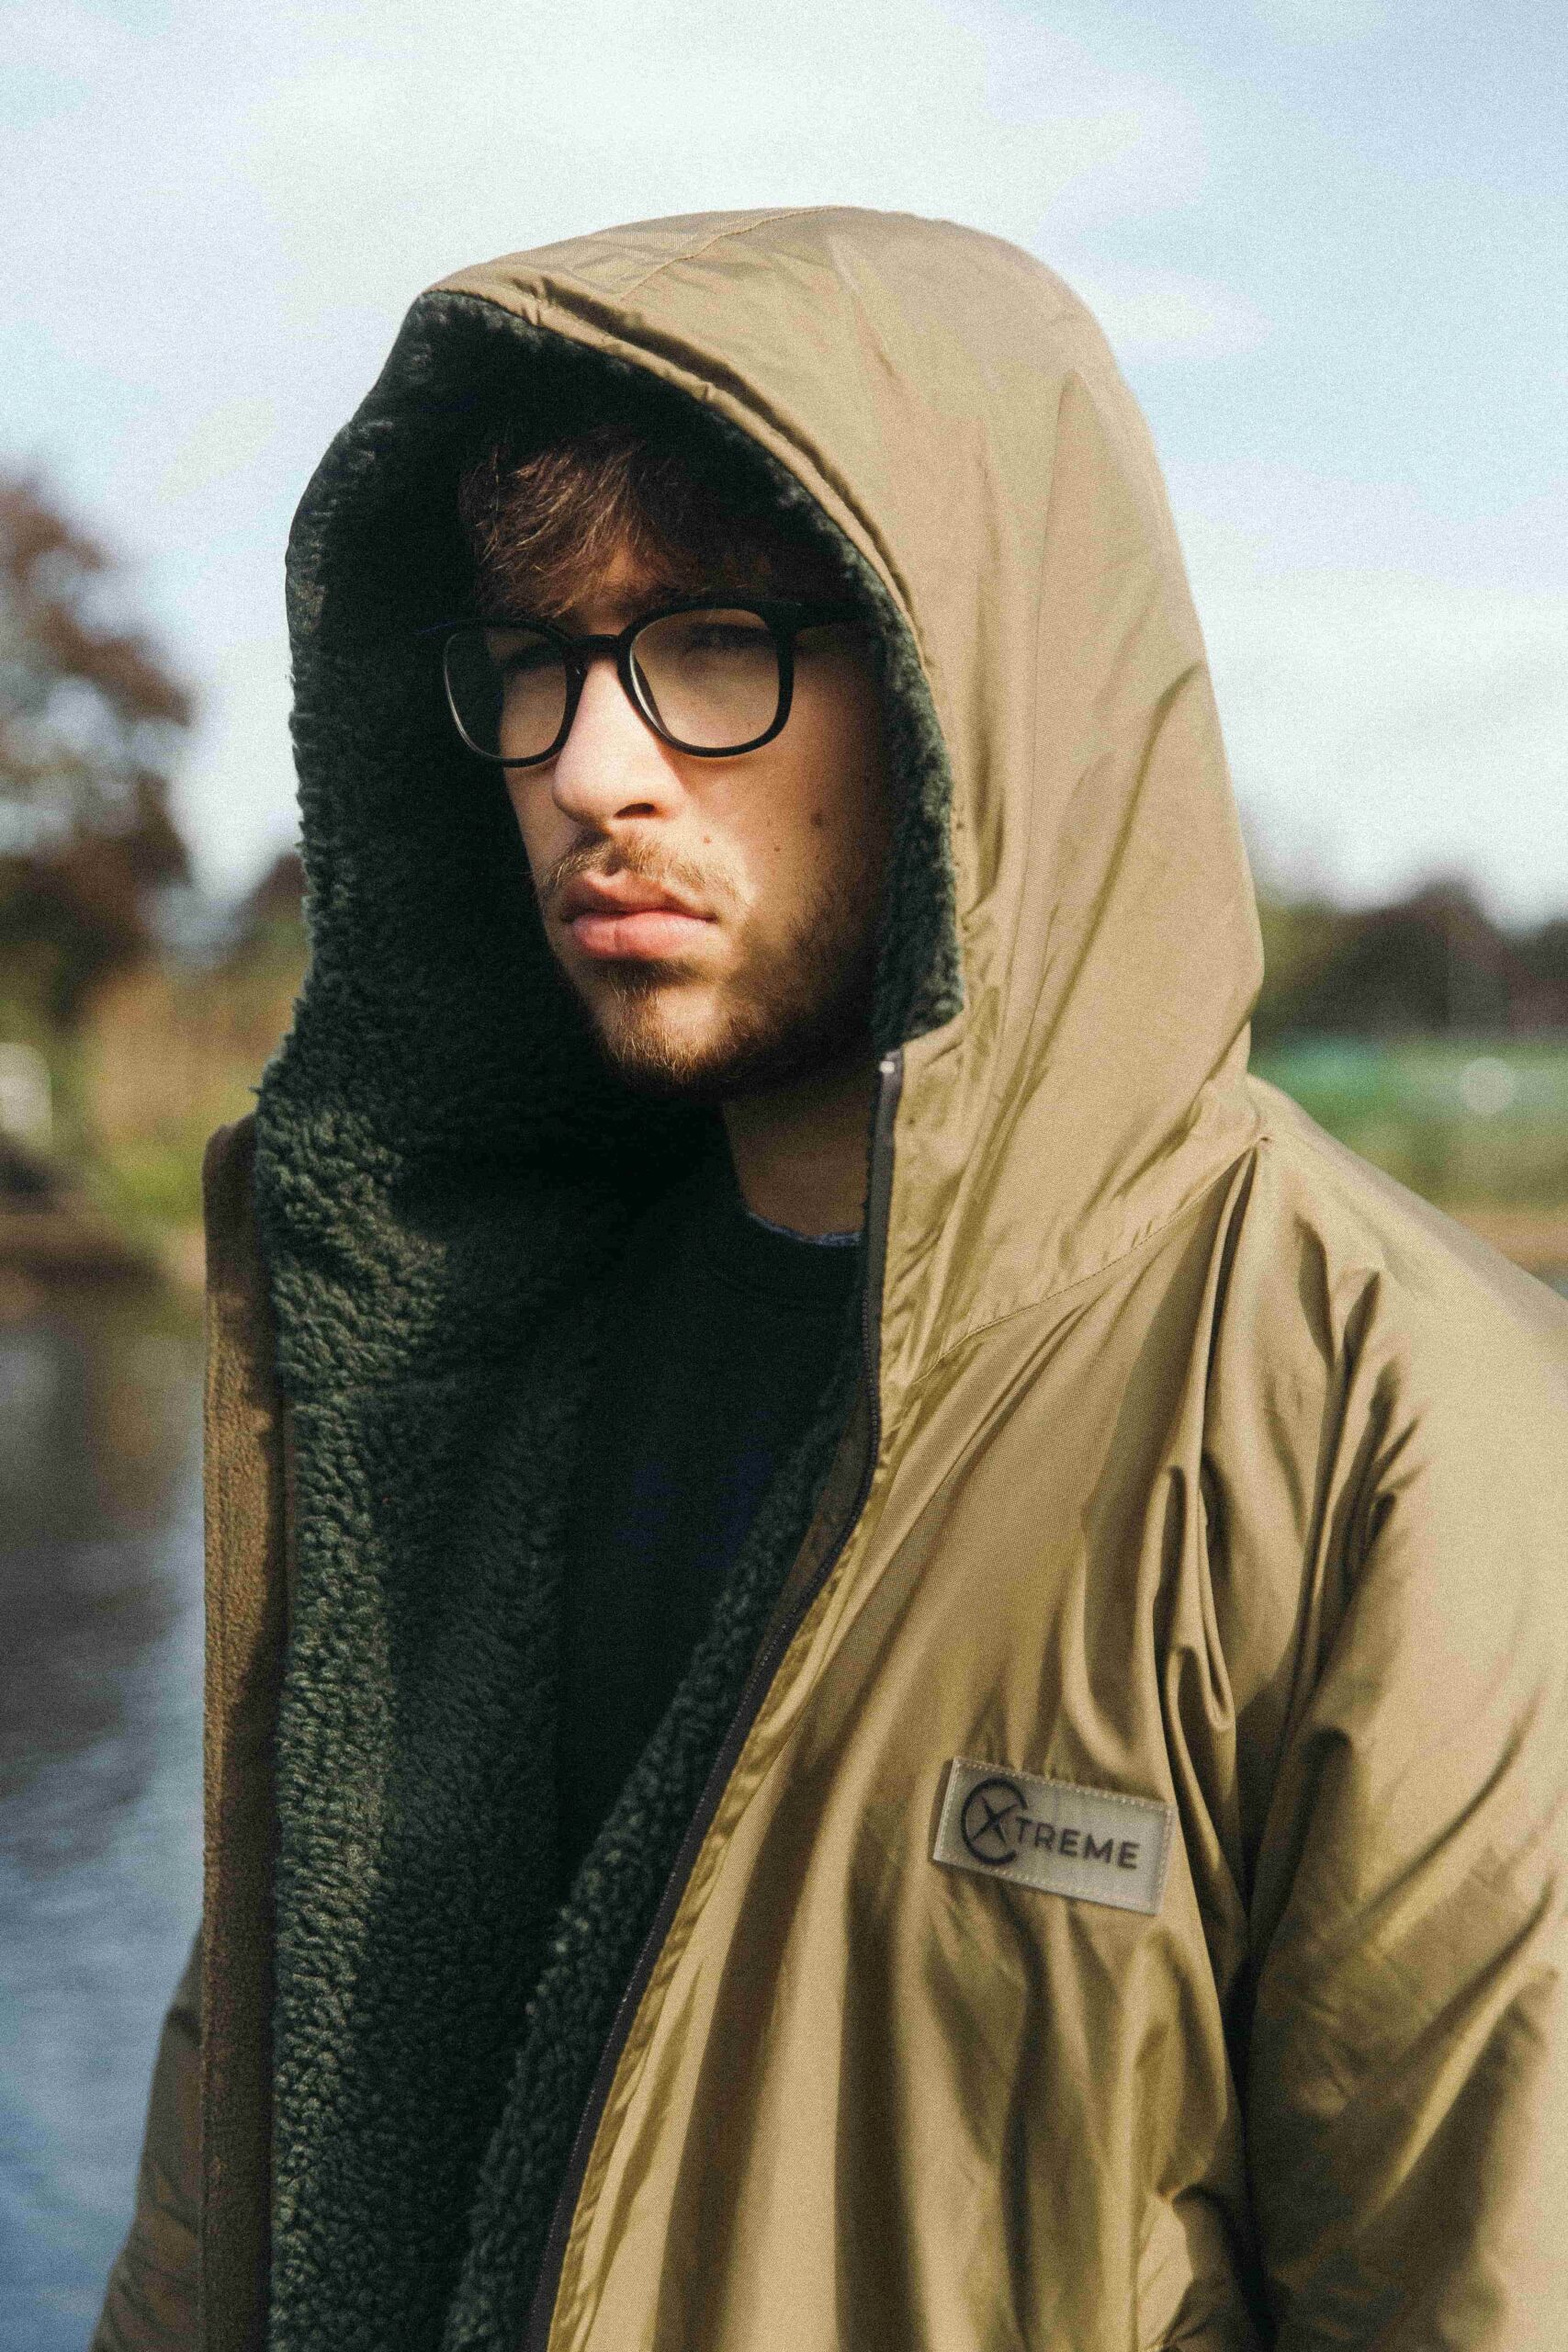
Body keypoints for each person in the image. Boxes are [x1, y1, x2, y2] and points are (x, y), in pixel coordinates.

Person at [94, 208, 1567, 2352]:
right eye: (534, 662)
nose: (589, 768)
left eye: (709, 647)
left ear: (965, 695)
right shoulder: (436, 1357)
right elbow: (232, 2190)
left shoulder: (1392, 1425)